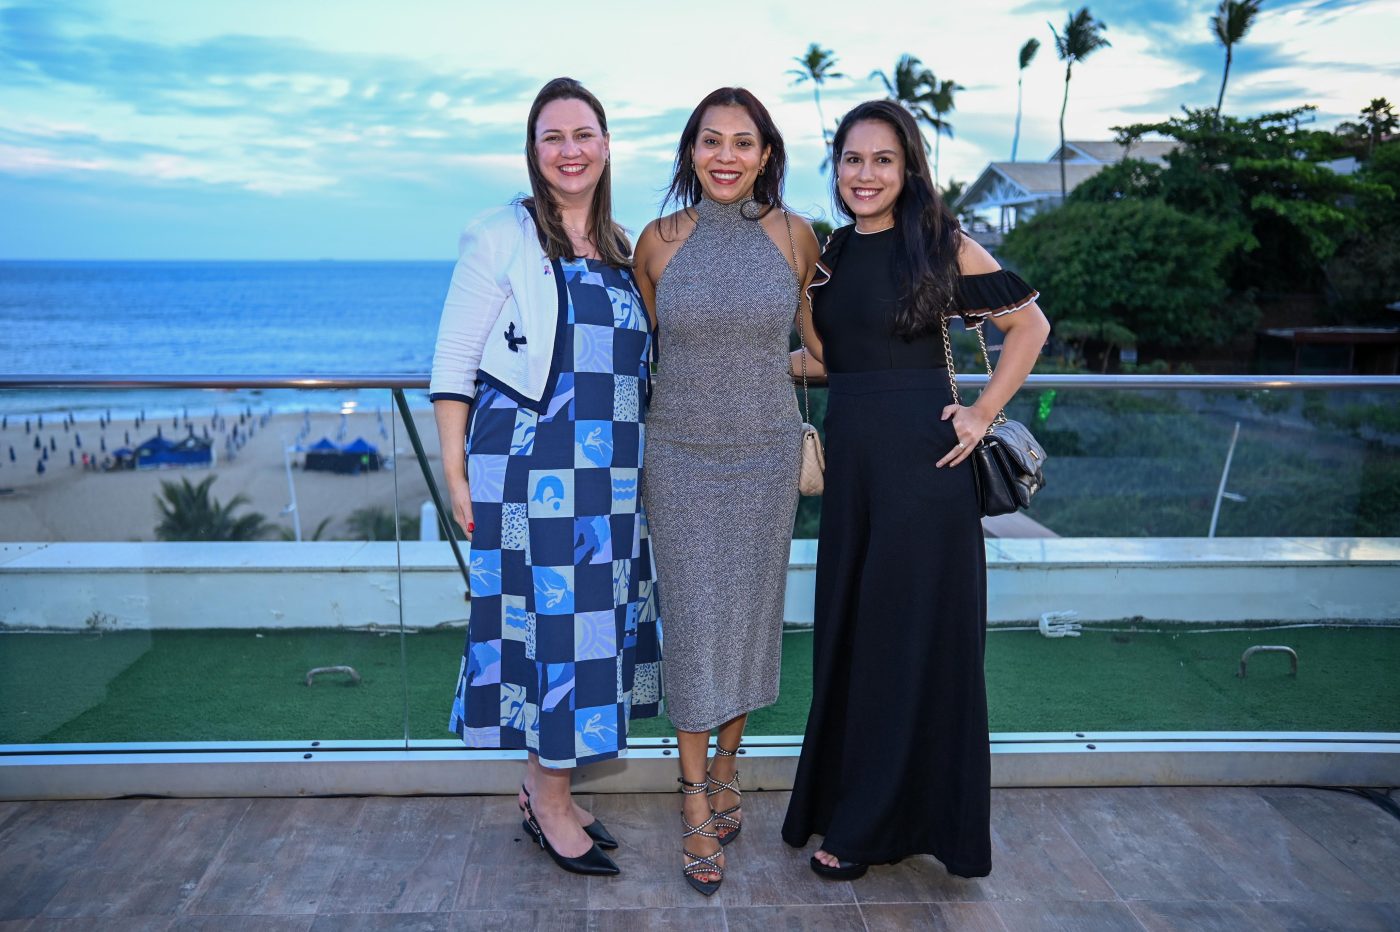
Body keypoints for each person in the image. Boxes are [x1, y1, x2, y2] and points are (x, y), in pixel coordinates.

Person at [780, 100, 1051, 880]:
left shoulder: (937, 242)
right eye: (852, 159)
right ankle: (855, 806)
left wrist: (982, 412)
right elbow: (832, 359)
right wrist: (747, 366)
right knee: (857, 639)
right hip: (856, 463)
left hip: (926, 469)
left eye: (883, 160)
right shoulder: (827, 252)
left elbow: (1029, 327)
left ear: (908, 169)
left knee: (909, 643)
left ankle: (868, 830)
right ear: (836, 167)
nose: (865, 175)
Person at [428, 77, 662, 878]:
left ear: (606, 145)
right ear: (533, 151)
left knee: (589, 633)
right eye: (553, 136)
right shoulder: (501, 233)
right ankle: (551, 799)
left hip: (611, 477)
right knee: (551, 629)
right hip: (532, 465)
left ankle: (543, 787)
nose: (570, 150)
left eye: (584, 134)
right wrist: (455, 475)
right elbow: (455, 362)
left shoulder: (627, 247)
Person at [633, 87, 820, 895]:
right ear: (690, 151)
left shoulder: (795, 237)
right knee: (695, 621)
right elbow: (642, 354)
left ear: (766, 155)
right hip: (676, 457)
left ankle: (729, 763)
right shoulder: (658, 242)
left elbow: (821, 346)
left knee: (748, 616)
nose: (726, 157)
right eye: (711, 142)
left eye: (743, 144)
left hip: (766, 456)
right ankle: (692, 796)